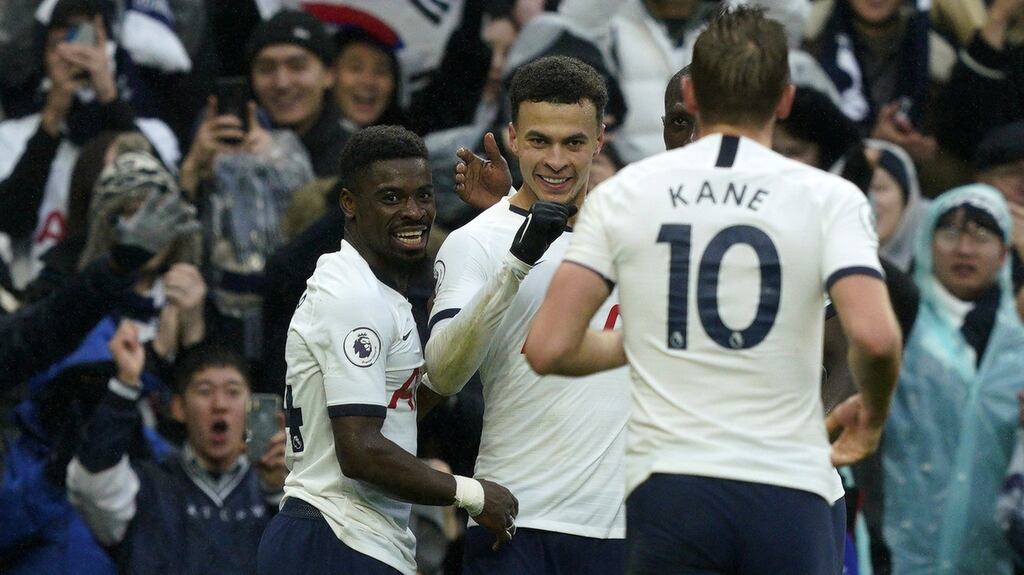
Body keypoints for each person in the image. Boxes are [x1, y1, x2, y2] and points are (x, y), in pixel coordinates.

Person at [525, 8, 902, 574]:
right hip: (792, 489)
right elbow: (874, 337)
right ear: (785, 99)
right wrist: (870, 415)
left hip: (674, 491)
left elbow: (548, 347)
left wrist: (648, 338)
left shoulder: (626, 194)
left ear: (694, 94)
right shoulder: (830, 198)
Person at [255, 125, 517, 575]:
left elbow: (399, 414)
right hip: (334, 537)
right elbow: (359, 451)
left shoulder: (377, 294)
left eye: (423, 196)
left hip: (340, 536)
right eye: (391, 198)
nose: (414, 212)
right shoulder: (353, 297)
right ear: (350, 205)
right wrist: (470, 494)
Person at [420, 55, 628, 574]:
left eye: (574, 143)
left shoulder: (637, 236)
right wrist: (519, 260)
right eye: (539, 141)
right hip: (517, 523)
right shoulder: (477, 242)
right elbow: (444, 373)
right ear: (513, 137)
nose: (556, 160)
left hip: (627, 529)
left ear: (599, 141)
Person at [882, 184, 1024, 574]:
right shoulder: (895, 325)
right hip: (897, 555)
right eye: (949, 233)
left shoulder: (1019, 341)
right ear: (927, 244)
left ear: (1003, 253)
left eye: (982, 235)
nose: (964, 249)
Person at [66, 334, 286, 575]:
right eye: (204, 391)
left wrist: (278, 495)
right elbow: (90, 480)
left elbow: (309, 560)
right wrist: (126, 385)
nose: (220, 404)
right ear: (178, 408)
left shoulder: (283, 494)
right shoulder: (145, 486)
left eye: (233, 392)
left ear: (250, 405)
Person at [0, 0, 178, 290]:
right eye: (63, 43)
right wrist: (54, 115)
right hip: (42, 298)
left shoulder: (153, 134)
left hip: (132, 298)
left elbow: (166, 209)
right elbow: (12, 220)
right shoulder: (10, 137)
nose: (77, 55)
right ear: (43, 53)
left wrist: (108, 94)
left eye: (88, 40)